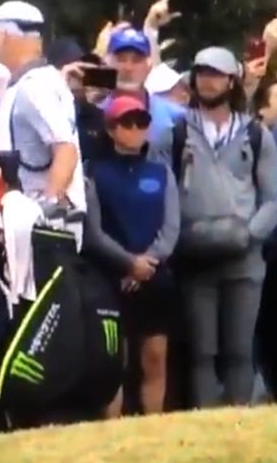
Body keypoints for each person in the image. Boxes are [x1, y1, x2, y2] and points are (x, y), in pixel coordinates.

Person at [150, 46, 277, 407]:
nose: (208, 81)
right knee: (201, 352)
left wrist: (248, 236)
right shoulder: (174, 133)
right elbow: (164, 194)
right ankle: (204, 423)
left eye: (217, 74)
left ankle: (237, 423)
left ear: (232, 80)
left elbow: (273, 199)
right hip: (194, 255)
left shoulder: (256, 134)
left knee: (239, 350)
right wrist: (178, 237)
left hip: (245, 259)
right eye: (202, 74)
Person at [88, 95, 180, 416]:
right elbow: (94, 232)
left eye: (141, 122)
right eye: (127, 122)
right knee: (115, 361)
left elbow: (171, 227)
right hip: (112, 278)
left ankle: (153, 430)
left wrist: (147, 264)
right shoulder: (94, 173)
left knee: (155, 357)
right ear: (111, 129)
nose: (135, 129)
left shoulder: (161, 172)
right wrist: (128, 264)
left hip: (155, 277)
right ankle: (112, 433)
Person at [0, 1, 86, 211]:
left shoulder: (34, 85)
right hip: (24, 223)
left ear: (4, 36)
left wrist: (46, 218)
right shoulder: (36, 80)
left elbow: (66, 151)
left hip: (35, 227)